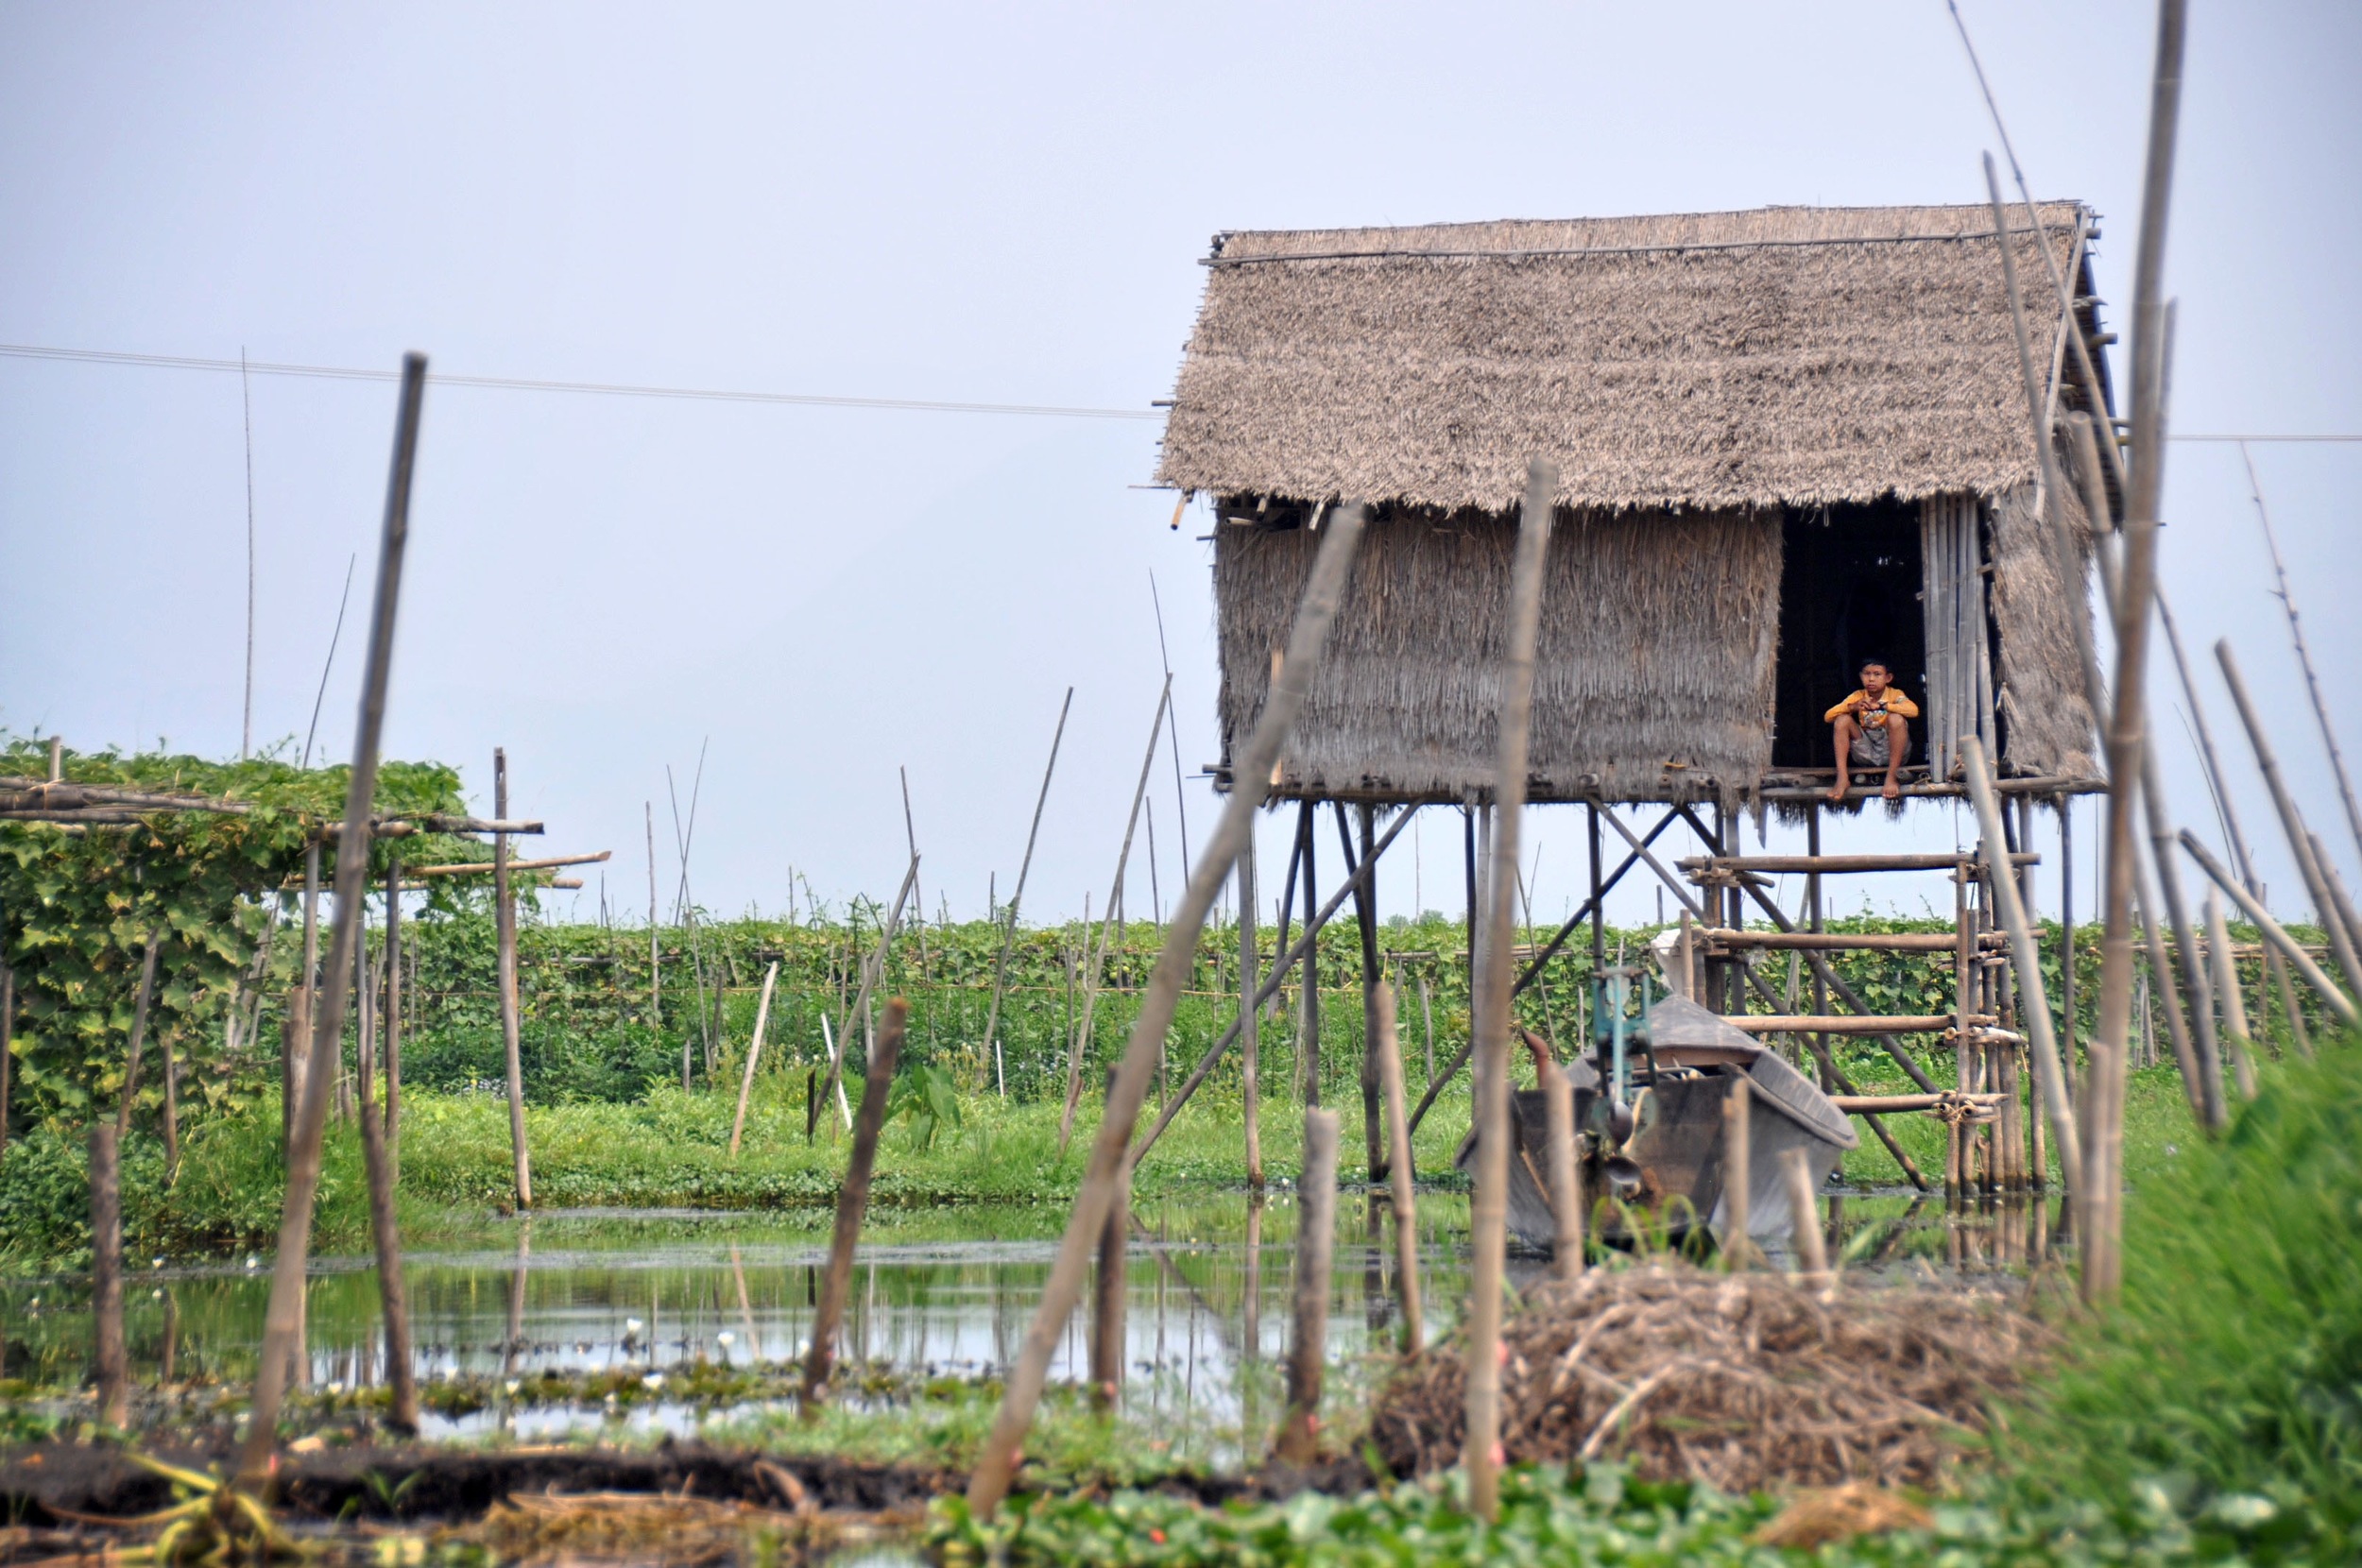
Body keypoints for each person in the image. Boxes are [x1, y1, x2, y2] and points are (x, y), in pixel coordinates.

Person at [1825, 659, 1919, 802]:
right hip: (1867, 751)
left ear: (1888, 678)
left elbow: (1913, 711)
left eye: (1877, 674)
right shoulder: (1858, 696)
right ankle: (1842, 777)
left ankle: (1891, 776)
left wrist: (1886, 707)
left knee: (1896, 719)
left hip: (1892, 751)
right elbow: (1828, 716)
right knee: (1842, 720)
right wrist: (1853, 707)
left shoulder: (1895, 695)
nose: (1871, 679)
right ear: (1861, 676)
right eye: (1867, 674)